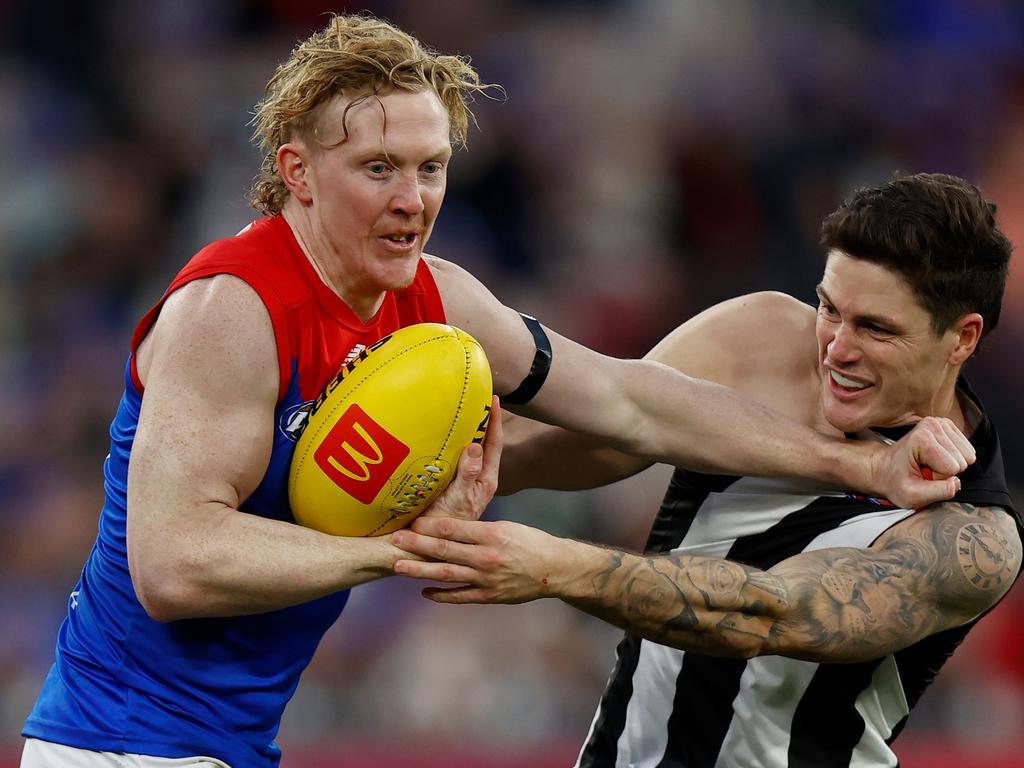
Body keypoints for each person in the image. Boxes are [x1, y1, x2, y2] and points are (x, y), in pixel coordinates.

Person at [20, 11, 971, 767]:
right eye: (378, 168)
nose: (413, 198)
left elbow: (628, 401)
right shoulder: (234, 309)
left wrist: (865, 463)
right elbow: (174, 565)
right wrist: (397, 551)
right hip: (115, 748)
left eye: (430, 168)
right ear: (296, 174)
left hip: (224, 748)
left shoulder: (432, 298)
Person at [391, 172, 1022, 767]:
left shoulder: (974, 533)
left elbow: (773, 613)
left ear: (961, 339)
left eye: (877, 329)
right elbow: (614, 426)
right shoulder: (765, 337)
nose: (837, 347)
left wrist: (555, 568)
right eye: (830, 307)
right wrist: (444, 479)